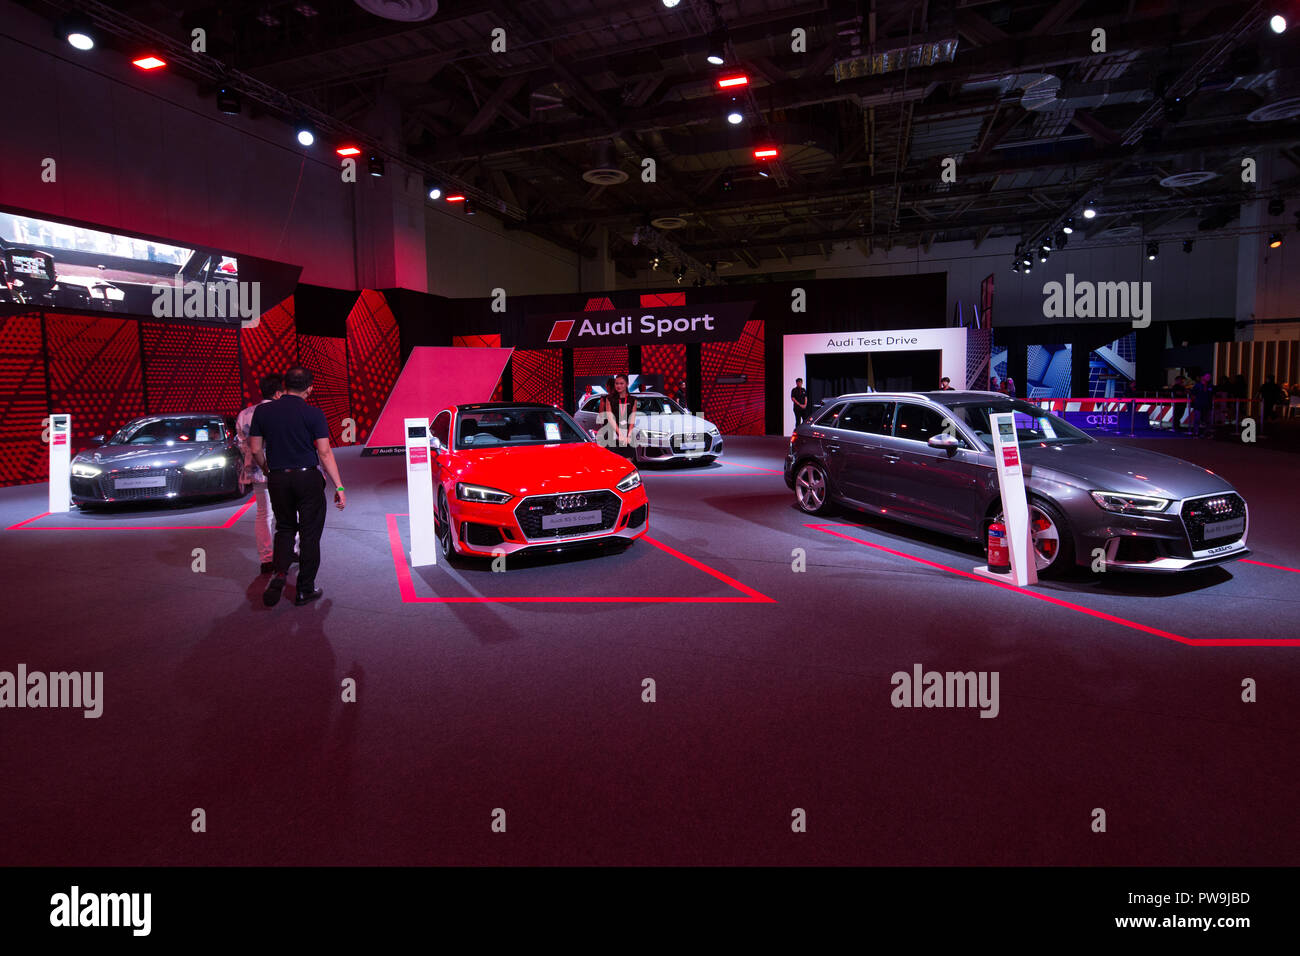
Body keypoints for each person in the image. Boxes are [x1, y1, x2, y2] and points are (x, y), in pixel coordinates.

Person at [249, 367, 346, 607]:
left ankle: (280, 572)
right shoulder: (313, 413)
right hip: (307, 478)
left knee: (284, 528)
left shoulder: (262, 411)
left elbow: (254, 449)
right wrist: (340, 487)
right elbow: (324, 452)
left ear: (284, 386)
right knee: (310, 535)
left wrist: (267, 470)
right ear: (310, 388)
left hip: (278, 478)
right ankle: (305, 589)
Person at [236, 374, 284, 573]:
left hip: (256, 471)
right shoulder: (281, 411)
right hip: (281, 468)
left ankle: (266, 559)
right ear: (278, 392)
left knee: (264, 514)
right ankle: (293, 551)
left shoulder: (245, 413)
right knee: (289, 511)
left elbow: (241, 443)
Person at [600, 373, 637, 461]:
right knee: (613, 462)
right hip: (612, 434)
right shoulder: (609, 399)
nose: (618, 386)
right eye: (616, 383)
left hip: (627, 434)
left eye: (621, 383)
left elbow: (632, 419)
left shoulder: (633, 400)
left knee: (628, 463)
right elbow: (610, 418)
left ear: (627, 384)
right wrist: (620, 434)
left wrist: (629, 435)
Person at [1190, 372, 1214, 437]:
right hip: (1199, 405)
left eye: (1209, 377)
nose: (1208, 378)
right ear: (1203, 377)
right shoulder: (1197, 386)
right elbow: (1193, 395)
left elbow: (1212, 395)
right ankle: (1196, 432)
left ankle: (1206, 432)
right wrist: (1195, 402)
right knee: (1197, 419)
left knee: (1208, 420)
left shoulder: (1210, 386)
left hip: (1208, 405)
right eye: (1207, 377)